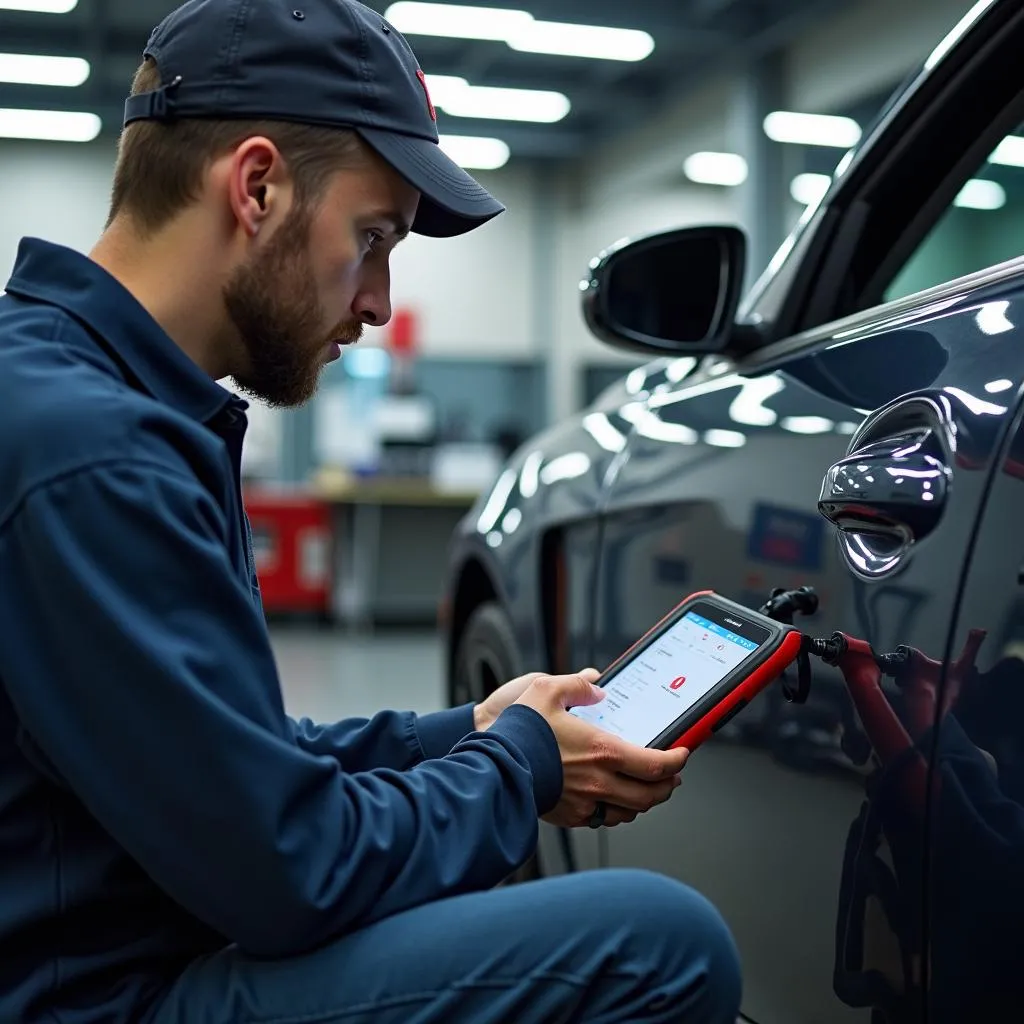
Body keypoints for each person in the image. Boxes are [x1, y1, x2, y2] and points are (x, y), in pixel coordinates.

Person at [0, 2, 742, 1022]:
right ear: (256, 187)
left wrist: (465, 733)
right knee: (659, 942)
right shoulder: (93, 452)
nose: (380, 300)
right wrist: (517, 764)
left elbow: (222, 759)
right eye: (374, 236)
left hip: (95, 948)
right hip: (92, 997)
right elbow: (287, 872)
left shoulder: (72, 396)